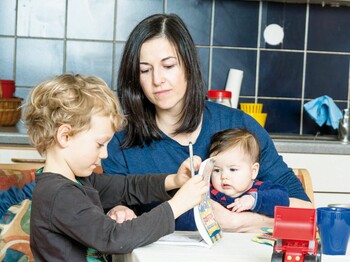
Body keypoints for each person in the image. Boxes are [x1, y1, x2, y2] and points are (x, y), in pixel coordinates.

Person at [102, 13, 312, 232]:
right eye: (145, 70)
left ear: (188, 66)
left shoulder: (239, 127)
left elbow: (305, 213)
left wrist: (238, 222)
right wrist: (117, 211)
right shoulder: (120, 143)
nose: (157, 80)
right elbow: (113, 216)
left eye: (169, 66)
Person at [24, 73, 207, 261]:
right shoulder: (59, 194)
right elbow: (114, 238)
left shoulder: (77, 182)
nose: (104, 154)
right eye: (99, 144)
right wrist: (177, 206)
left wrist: (174, 180)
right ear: (65, 136)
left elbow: (127, 187)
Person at [208, 128, 289, 217]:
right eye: (217, 170)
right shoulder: (209, 193)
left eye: (233, 169)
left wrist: (254, 200)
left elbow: (283, 200)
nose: (224, 176)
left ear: (253, 171)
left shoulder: (261, 189)